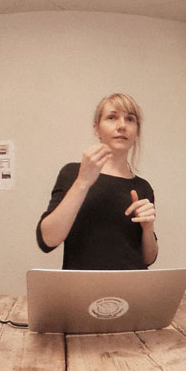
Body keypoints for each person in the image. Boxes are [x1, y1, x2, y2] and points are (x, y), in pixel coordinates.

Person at [37, 93, 158, 269]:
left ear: (137, 132)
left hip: (133, 284)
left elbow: (149, 259)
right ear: (97, 128)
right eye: (112, 117)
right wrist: (83, 182)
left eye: (130, 119)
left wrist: (148, 228)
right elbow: (47, 240)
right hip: (83, 284)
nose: (122, 125)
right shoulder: (72, 173)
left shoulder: (143, 187)